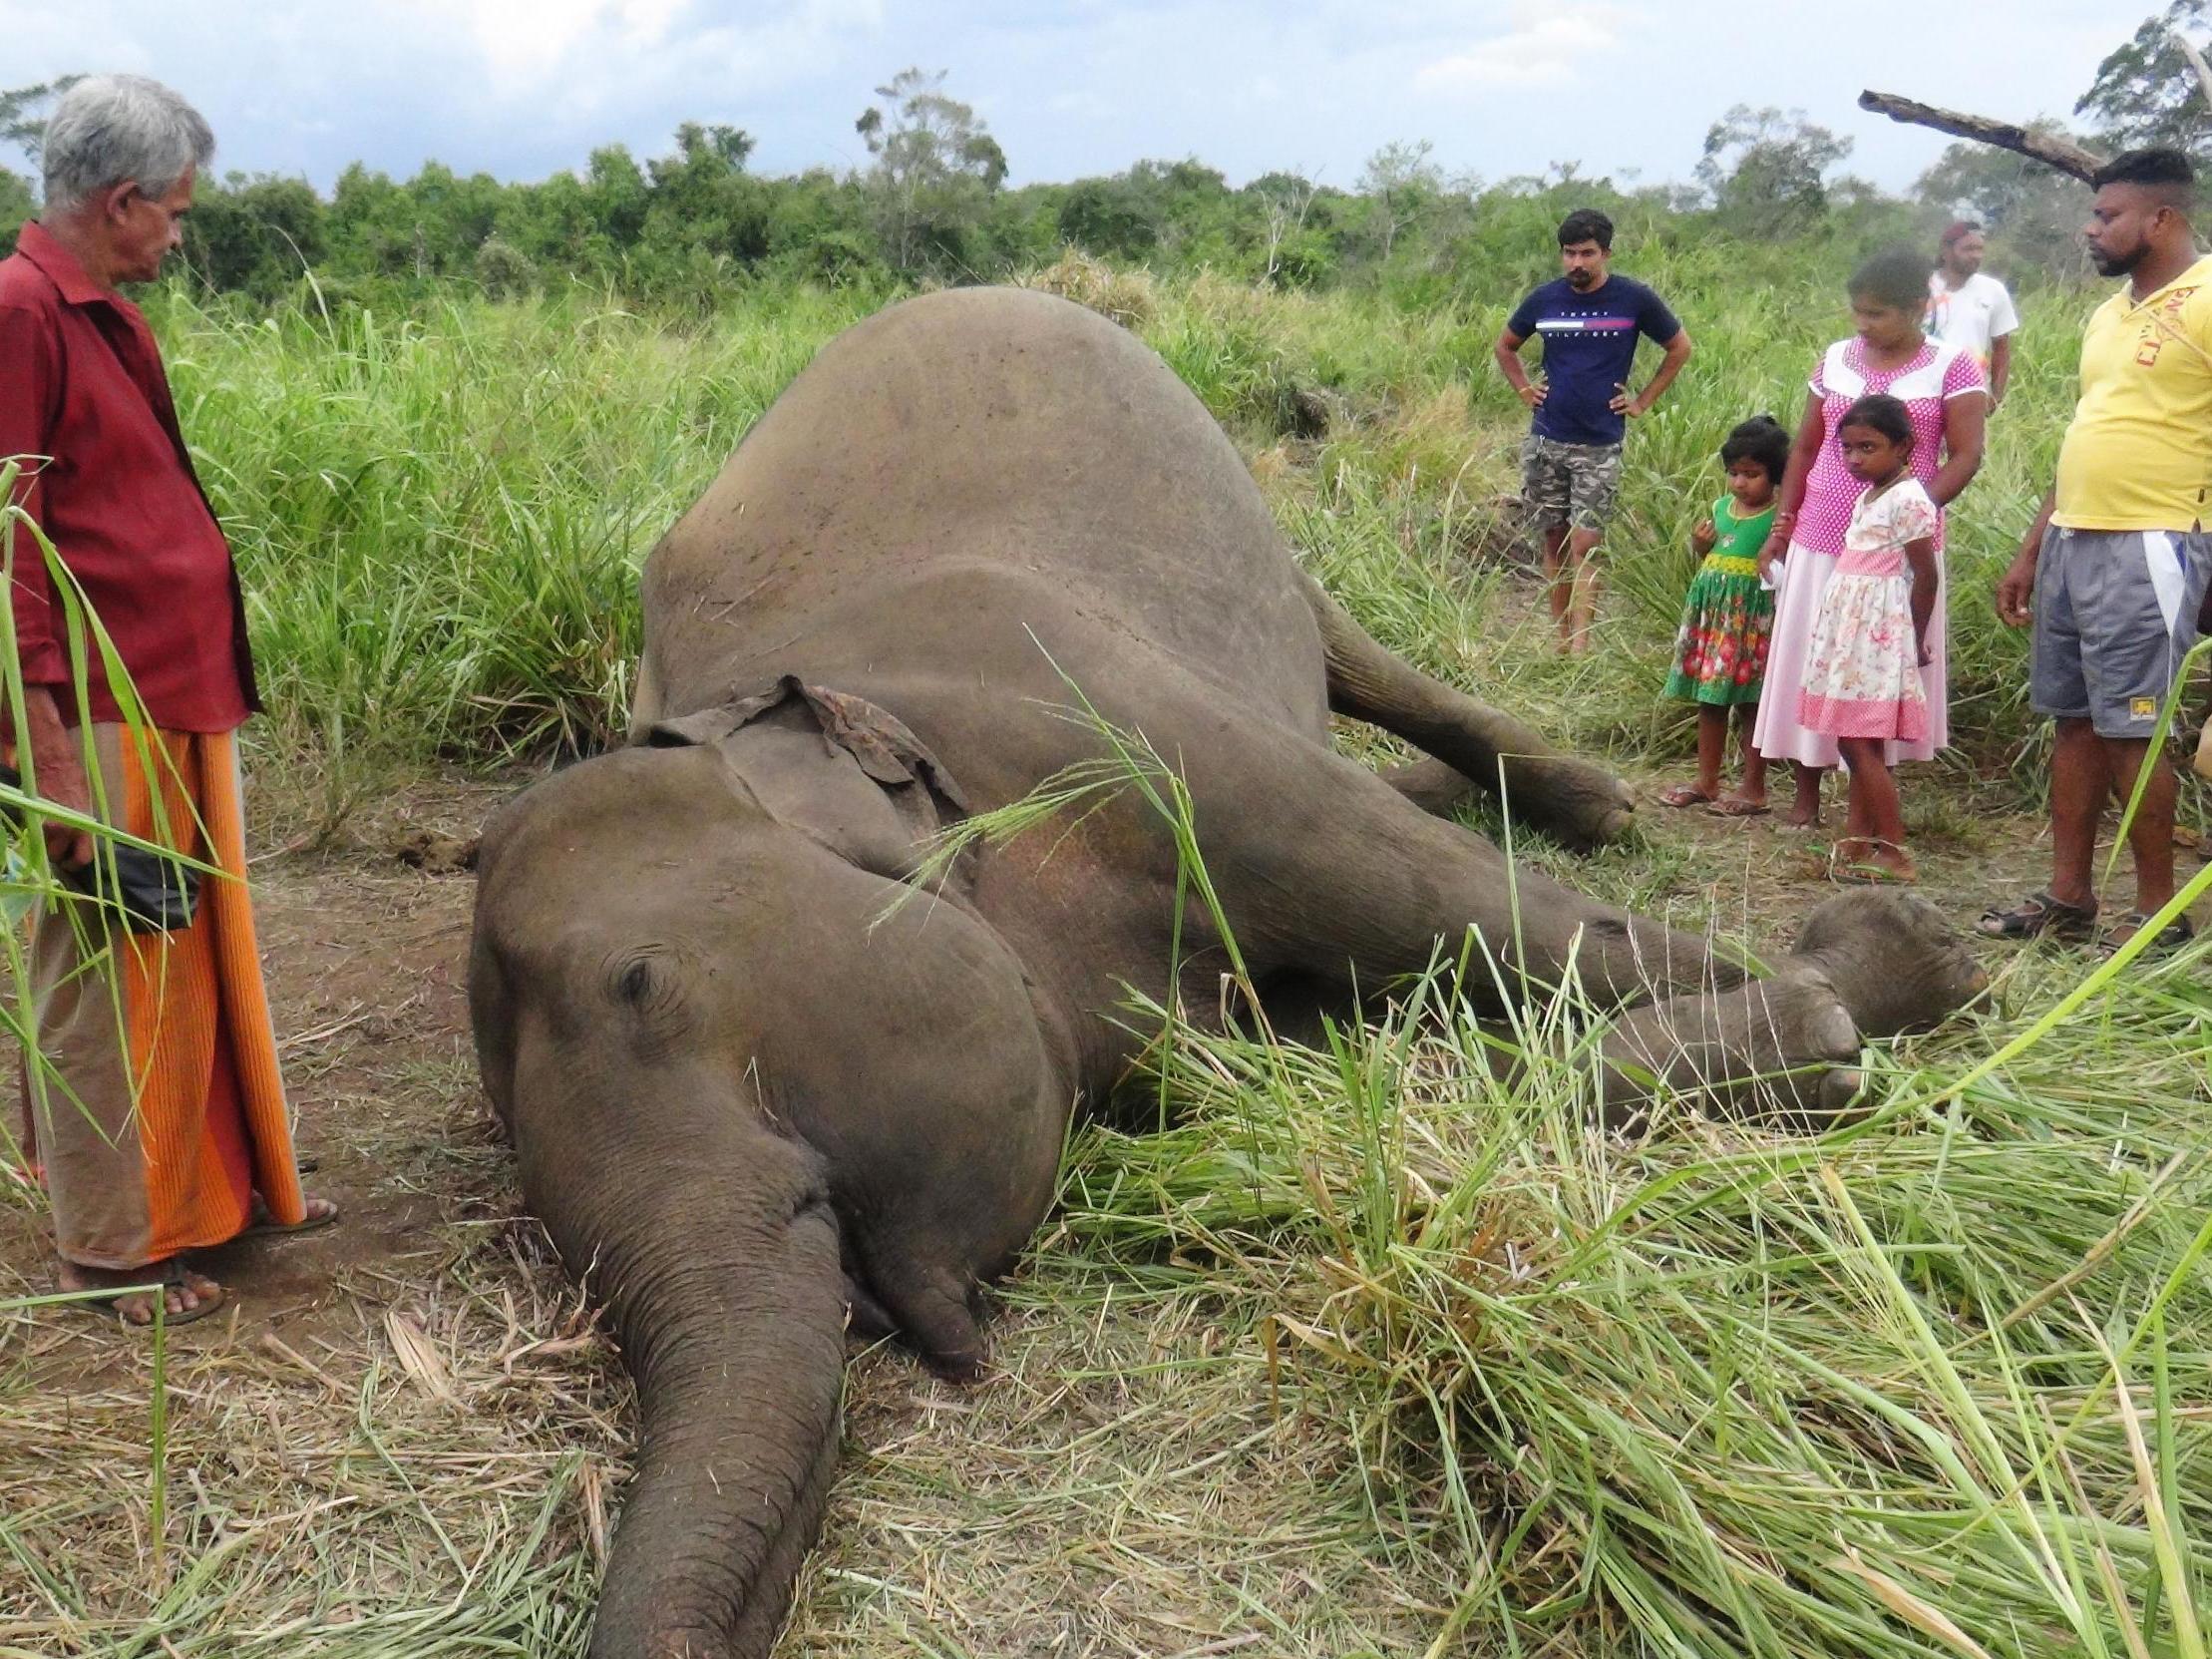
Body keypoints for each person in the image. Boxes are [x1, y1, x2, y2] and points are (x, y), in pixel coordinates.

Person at [0, 75, 334, 1327]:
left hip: (166, 690)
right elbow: (5, 551)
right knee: (101, 958)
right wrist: (54, 773)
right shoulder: (22, 311)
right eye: (175, 213)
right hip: (95, 704)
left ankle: (198, 1198)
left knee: (180, 959)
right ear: (121, 199)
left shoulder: (99, 312)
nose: (180, 235)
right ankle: (104, 1246)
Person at [1983, 147, 2212, 957]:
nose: (2091, 228)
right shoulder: (2110, 313)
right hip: (2075, 540)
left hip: (2154, 541)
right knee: (2073, 722)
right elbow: (2091, 432)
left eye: (2107, 215)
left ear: (2162, 218)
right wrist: (2031, 547)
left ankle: (2158, 914)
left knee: (2134, 729)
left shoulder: (2209, 298)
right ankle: (2068, 898)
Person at [1753, 248, 1987, 828]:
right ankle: (1804, 800)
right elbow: (1806, 447)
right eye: (1858, 313)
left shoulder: (1952, 367)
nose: (1863, 325)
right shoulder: (1835, 359)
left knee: (1875, 678)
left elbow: (1967, 454)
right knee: (1814, 663)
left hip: (1896, 554)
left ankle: (1867, 820)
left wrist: (1907, 513)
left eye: (1878, 314)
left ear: (1918, 308)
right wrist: (1783, 525)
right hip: (1820, 538)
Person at [1495, 207, 1692, 654]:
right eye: (1569, 253)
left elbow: (1679, 348)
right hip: (1546, 440)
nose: (1576, 263)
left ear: (1605, 253)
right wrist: (1525, 389)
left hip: (1600, 443)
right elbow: (1506, 346)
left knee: (1587, 543)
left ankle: (1582, 648)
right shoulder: (1544, 300)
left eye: (1586, 253)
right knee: (1552, 538)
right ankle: (1561, 642)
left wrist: (1642, 401)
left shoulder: (1634, 300)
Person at [1794, 395, 1941, 884]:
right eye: (1848, 449)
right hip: (1852, 634)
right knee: (1856, 741)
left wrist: (1913, 642)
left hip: (1876, 636)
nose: (1855, 459)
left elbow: (1926, 577)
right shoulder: (1870, 495)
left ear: (1903, 446)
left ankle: (1894, 851)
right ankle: (1856, 842)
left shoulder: (1910, 500)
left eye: (1868, 447)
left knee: (1858, 743)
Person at [1659, 414, 1790, 815]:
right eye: (1733, 473)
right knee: (1710, 701)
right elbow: (1714, 556)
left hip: (1751, 623)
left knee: (1752, 702)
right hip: (1714, 620)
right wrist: (1701, 547)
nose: (1739, 483)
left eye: (1751, 474)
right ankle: (1707, 781)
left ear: (1775, 475)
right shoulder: (1720, 508)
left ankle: (1754, 787)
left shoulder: (1780, 517)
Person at [1926, 220, 2020, 406]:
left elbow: (2001, 347)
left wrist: (1995, 395)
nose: (1976, 256)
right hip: (1923, 391)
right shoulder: (1920, 287)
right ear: (1945, 251)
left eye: (1979, 249)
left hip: (1969, 392)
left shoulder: (1993, 290)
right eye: (1968, 249)